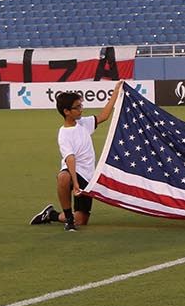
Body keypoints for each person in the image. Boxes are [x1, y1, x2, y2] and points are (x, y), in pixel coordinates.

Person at [30, 83, 122, 231]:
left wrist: (116, 93)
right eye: (77, 107)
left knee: (82, 220)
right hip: (73, 171)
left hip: (87, 176)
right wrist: (75, 182)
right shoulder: (64, 133)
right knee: (63, 177)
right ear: (67, 111)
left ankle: (51, 215)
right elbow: (70, 158)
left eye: (81, 105)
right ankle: (69, 220)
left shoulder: (84, 123)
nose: (81, 109)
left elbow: (104, 116)